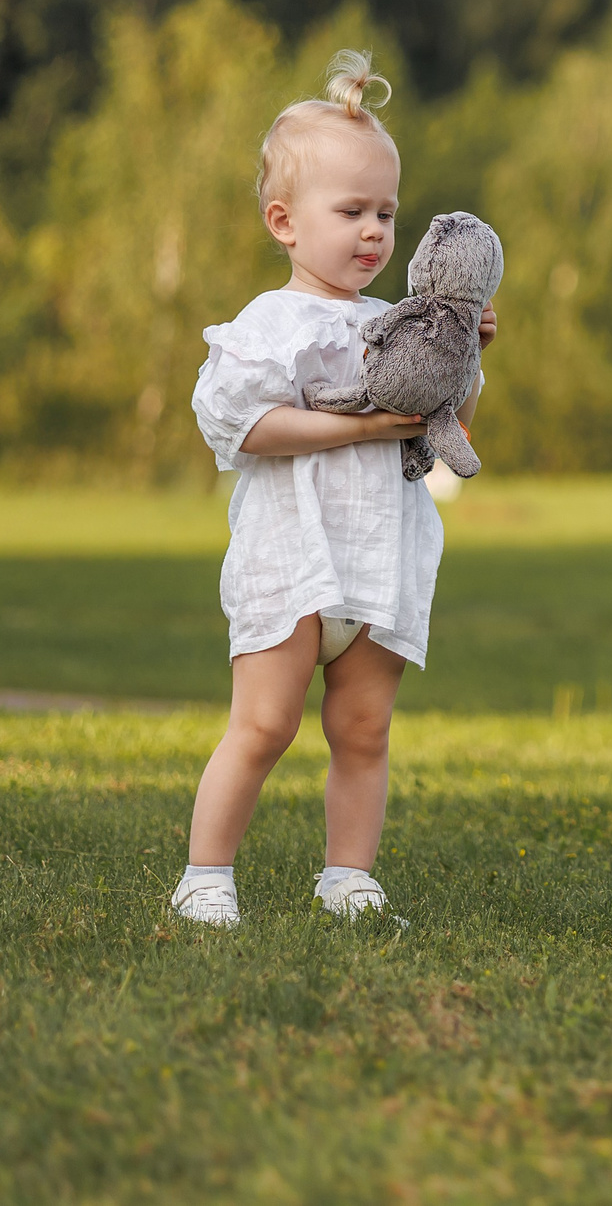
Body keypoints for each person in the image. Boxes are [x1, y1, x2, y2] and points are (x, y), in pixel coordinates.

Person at [169, 51, 493, 927]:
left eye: (386, 212)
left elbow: (447, 411)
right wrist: (353, 428)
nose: (374, 232)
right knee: (265, 724)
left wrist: (465, 351)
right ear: (284, 220)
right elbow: (239, 427)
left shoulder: (393, 325)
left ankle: (347, 876)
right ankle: (206, 874)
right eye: (350, 211)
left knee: (363, 729)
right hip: (295, 555)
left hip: (377, 557)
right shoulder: (270, 325)